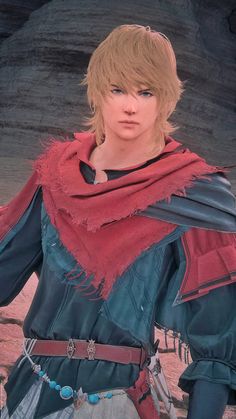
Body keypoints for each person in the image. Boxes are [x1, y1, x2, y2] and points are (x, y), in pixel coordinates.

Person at [0, 24, 236, 419]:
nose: (131, 105)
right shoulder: (56, 177)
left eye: (146, 92)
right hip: (31, 393)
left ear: (166, 99)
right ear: (97, 92)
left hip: (117, 401)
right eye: (118, 89)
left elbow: (217, 339)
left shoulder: (193, 195)